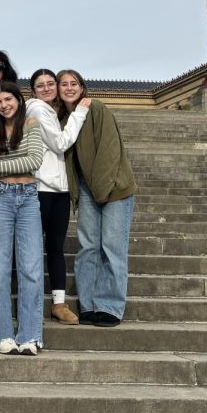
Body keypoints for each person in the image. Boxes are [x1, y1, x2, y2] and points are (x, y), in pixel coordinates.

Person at [59, 69, 136, 328]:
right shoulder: (64, 118)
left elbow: (109, 148)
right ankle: (89, 304)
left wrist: (101, 190)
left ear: (82, 87)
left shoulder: (97, 108)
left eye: (74, 83)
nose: (69, 88)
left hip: (114, 187)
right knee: (88, 247)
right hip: (87, 189)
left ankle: (110, 306)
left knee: (112, 247)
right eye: (64, 84)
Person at [0, 81, 45, 355]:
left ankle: (30, 335)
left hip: (28, 197)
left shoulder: (31, 124)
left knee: (30, 268)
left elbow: (34, 161)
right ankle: (0, 333)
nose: (4, 105)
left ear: (19, 100)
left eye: (9, 99)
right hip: (0, 198)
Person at [26, 68, 91, 325]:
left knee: (55, 248)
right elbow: (61, 144)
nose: (46, 88)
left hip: (59, 190)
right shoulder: (38, 109)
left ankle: (59, 304)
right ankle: (35, 303)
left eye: (50, 83)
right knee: (38, 249)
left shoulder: (52, 111)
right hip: (42, 189)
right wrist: (80, 112)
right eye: (40, 85)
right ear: (32, 90)